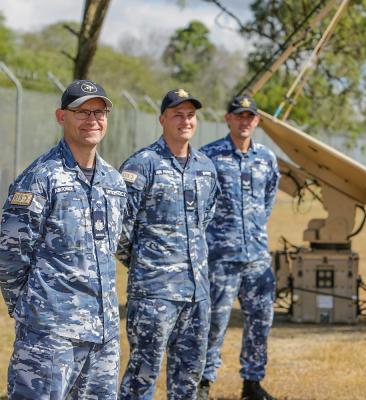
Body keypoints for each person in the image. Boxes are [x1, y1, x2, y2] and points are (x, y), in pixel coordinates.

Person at [0, 80, 126, 399]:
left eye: (99, 112)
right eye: (82, 111)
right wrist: (33, 310)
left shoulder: (113, 182)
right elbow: (9, 255)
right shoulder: (41, 178)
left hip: (103, 333)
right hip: (50, 333)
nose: (92, 119)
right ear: (61, 116)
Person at [117, 89, 218, 399]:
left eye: (190, 115)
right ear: (162, 119)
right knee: (142, 375)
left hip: (197, 292)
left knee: (189, 376)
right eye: (177, 114)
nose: (185, 120)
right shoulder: (142, 165)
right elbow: (119, 228)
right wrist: (146, 264)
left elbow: (206, 221)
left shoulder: (205, 167)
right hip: (154, 292)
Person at [198, 94, 280, 400]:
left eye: (250, 116)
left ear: (256, 121)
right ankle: (204, 382)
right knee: (214, 322)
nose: (244, 121)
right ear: (228, 119)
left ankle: (252, 382)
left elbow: (267, 201)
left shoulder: (267, 159)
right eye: (239, 116)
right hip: (221, 258)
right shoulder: (209, 157)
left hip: (257, 258)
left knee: (260, 321)